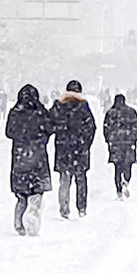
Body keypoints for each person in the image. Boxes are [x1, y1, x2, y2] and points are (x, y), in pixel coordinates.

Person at [6, 84, 52, 236]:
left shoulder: (15, 112)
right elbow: (50, 128)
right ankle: (33, 212)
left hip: (20, 157)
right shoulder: (40, 112)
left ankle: (19, 223)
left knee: (21, 194)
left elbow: (9, 132)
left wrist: (22, 136)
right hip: (38, 156)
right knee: (37, 192)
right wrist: (41, 137)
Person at [49, 80, 96, 219]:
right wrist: (85, 144)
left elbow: (49, 124)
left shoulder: (59, 106)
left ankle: (64, 209)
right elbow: (91, 127)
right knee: (81, 179)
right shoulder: (83, 107)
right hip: (80, 149)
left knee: (64, 179)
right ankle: (82, 208)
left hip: (63, 148)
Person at [104, 94, 137, 200]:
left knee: (117, 168)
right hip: (128, 143)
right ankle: (126, 181)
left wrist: (109, 140)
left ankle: (119, 190)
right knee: (128, 165)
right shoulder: (131, 112)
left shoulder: (110, 113)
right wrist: (133, 138)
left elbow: (106, 128)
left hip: (116, 144)